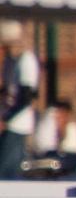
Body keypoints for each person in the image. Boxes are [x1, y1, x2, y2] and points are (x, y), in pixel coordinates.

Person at [0, 19, 40, 178]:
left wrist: (6, 119)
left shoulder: (26, 60)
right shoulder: (12, 62)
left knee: (7, 171)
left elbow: (26, 96)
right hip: (9, 122)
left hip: (17, 124)